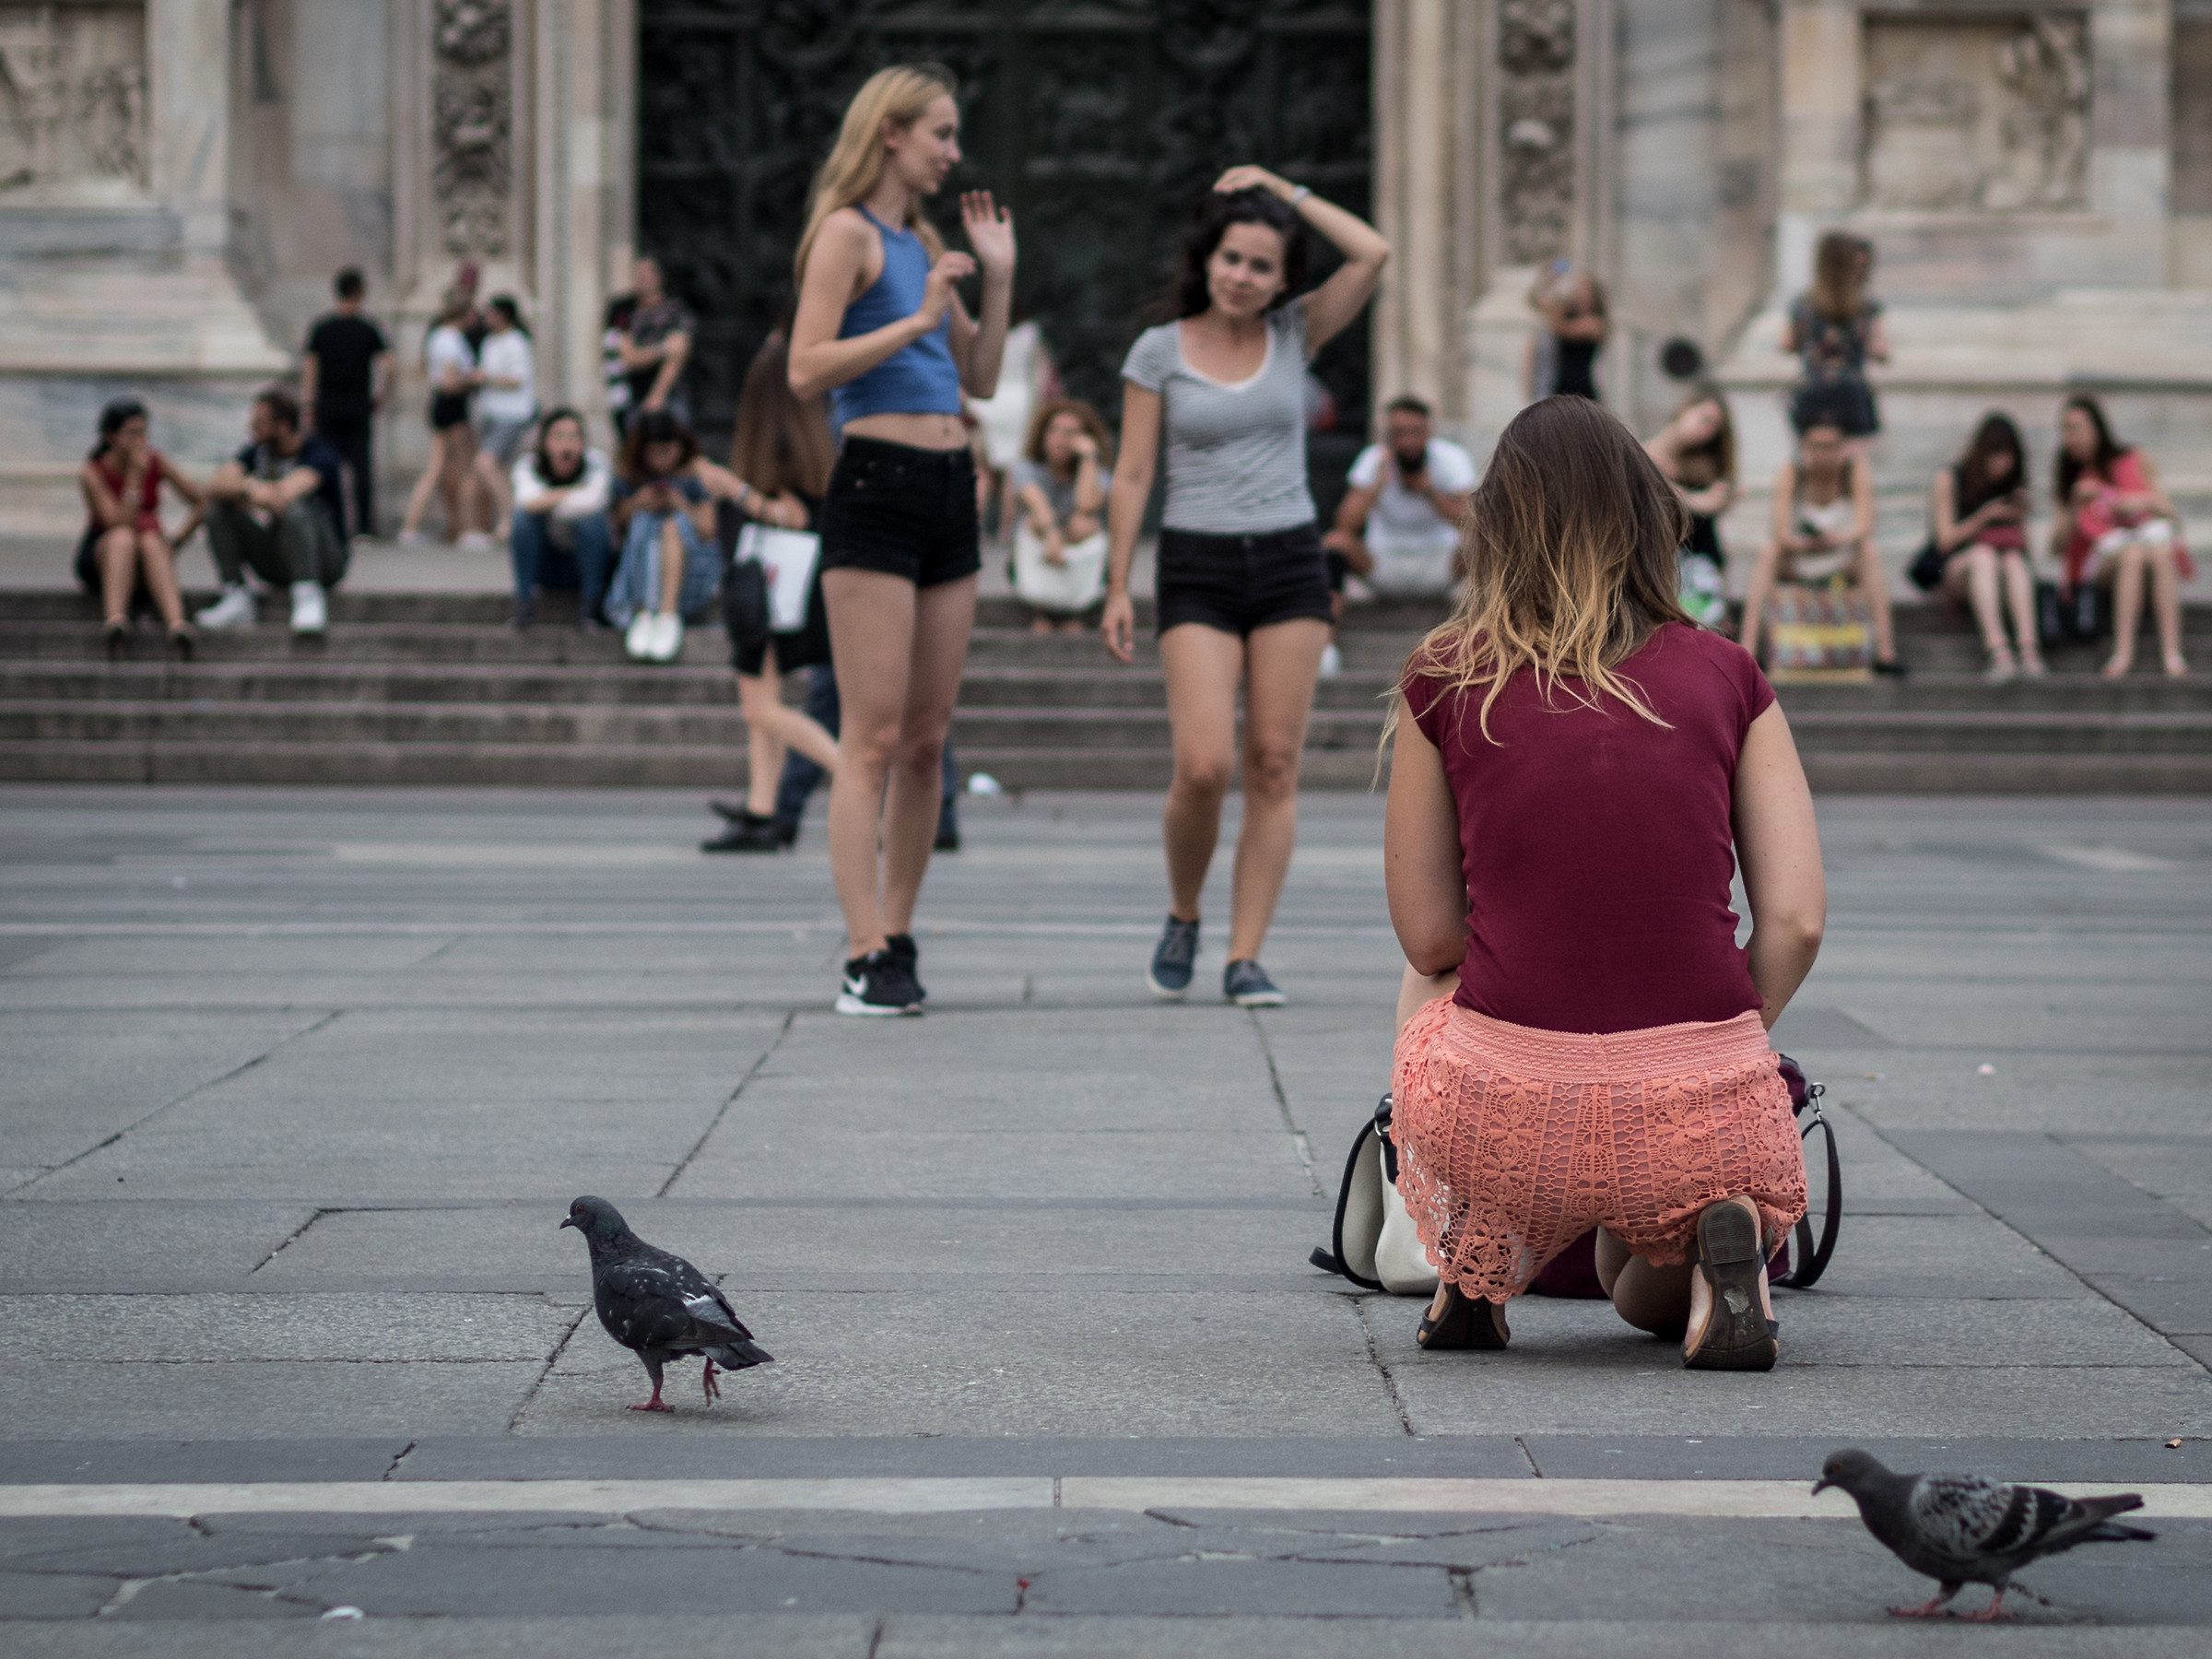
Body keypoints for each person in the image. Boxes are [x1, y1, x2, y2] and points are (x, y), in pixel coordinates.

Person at [1383, 394, 1819, 1368]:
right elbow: (1794, 916)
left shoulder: (1446, 677)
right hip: (1704, 1107)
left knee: (1430, 983)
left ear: (1496, 525)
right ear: (1649, 520)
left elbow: (1429, 938)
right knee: (1640, 1293)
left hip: (1502, 1113)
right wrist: (1710, 1050)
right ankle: (1719, 1243)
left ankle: (1469, 1263)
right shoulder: (1729, 674)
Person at [1103, 168, 1389, 1008]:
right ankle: (1184, 911)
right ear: (1209, 257)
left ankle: (1245, 954)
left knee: (1272, 763)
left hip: (1290, 563)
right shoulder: (1159, 350)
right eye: (1233, 258)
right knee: (1204, 764)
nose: (1243, 277)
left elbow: (1373, 252)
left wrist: (1284, 191)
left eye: (1262, 266)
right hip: (1196, 561)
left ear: (1279, 277)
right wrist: (1118, 582)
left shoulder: (1295, 333)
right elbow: (1132, 471)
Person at [788, 62, 1015, 1017]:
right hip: (875, 482)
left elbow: (986, 375)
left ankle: (902, 932)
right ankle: (859, 948)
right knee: (870, 739)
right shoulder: (845, 235)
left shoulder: (921, 239)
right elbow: (805, 367)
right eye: (942, 135)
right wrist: (915, 318)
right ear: (891, 132)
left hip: (949, 483)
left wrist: (993, 278)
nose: (954, 153)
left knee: (926, 739)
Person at [704, 335, 843, 853]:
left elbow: (795, 516)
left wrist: (732, 490)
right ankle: (762, 810)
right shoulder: (810, 441)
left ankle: (857, 777)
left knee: (760, 709)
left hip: (768, 589)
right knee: (762, 708)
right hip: (779, 589)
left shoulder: (776, 444)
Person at [1739, 421, 1902, 675]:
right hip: (1800, 559)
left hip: (1840, 559)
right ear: (1804, 447)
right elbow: (1779, 531)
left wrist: (1834, 539)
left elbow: (1866, 525)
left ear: (1843, 449)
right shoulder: (1791, 473)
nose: (1824, 454)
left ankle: (1885, 650)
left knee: (1869, 551)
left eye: (1830, 447)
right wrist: (1807, 544)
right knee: (1768, 552)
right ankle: (1747, 649)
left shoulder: (1855, 472)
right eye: (1817, 447)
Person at [2054, 394, 2191, 679]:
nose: (2069, 437)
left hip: (2145, 548)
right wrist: (2073, 507)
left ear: (2096, 428)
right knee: (2132, 554)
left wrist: (2135, 502)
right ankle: (2123, 652)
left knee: (2157, 552)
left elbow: (2169, 513)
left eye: (2075, 427)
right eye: (2064, 429)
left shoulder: (2133, 458)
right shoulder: (2069, 475)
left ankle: (2171, 652)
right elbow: (2057, 545)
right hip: (2099, 560)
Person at [197, 385, 350, 635]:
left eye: (260, 422)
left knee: (294, 507)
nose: (252, 427)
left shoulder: (318, 453)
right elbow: (215, 484)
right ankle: (235, 594)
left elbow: (289, 491)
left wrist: (251, 494)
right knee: (217, 509)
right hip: (278, 558)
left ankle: (308, 595)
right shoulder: (256, 452)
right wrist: (249, 489)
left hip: (326, 562)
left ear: (284, 426)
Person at [75, 398, 203, 658]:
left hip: (147, 552)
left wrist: (177, 541)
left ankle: (177, 624)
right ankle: (115, 621)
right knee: (124, 537)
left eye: (143, 432)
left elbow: (200, 501)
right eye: (131, 433)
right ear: (111, 436)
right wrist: (134, 477)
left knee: (151, 541)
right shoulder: (93, 472)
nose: (140, 440)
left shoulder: (156, 460)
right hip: (106, 553)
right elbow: (115, 521)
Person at [605, 409, 732, 664]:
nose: (661, 460)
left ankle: (666, 614)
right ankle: (643, 612)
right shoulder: (629, 477)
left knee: (673, 527)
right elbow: (616, 531)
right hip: (639, 564)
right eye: (655, 453)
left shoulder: (694, 476)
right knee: (644, 523)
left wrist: (681, 504)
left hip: (690, 570)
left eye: (667, 451)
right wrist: (637, 504)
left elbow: (708, 529)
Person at [1324, 394, 1475, 601]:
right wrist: (1375, 487)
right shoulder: (1374, 460)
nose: (1408, 441)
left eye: (1416, 432)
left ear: (1428, 433)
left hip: (1440, 562)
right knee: (1335, 543)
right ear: (1388, 435)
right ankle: (1327, 624)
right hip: (1383, 562)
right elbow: (1344, 526)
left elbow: (1472, 523)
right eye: (1400, 433)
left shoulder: (1450, 458)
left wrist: (1431, 493)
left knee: (1488, 544)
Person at [1931, 413, 2042, 681]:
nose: (2001, 464)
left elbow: (2026, 552)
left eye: (2008, 457)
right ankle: (1998, 651)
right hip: (1958, 569)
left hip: (2004, 572)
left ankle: (2028, 649)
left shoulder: (2012, 487)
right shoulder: (1951, 478)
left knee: (2013, 559)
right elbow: (1944, 540)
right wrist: (1983, 517)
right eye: (1995, 455)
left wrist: (2020, 517)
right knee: (1984, 556)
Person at [299, 267, 390, 538]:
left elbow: (310, 368)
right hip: (358, 404)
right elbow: (389, 366)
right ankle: (363, 528)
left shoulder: (322, 328)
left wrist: (308, 404)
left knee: (327, 464)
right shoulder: (368, 328)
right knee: (361, 466)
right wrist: (381, 396)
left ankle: (330, 522)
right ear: (359, 293)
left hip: (327, 406)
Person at [1011, 397, 1112, 634]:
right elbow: (1036, 504)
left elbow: (1086, 505)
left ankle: (1072, 609)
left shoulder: (1097, 472)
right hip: (1040, 550)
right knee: (1035, 522)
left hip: (1074, 553)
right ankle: (1044, 609)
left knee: (1083, 525)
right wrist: (1051, 533)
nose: (1060, 438)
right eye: (1054, 431)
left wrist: (1088, 459)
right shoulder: (1028, 467)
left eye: (1069, 433)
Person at [508, 408, 614, 631]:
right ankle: (524, 603)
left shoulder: (597, 463)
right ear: (545, 443)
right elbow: (526, 503)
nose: (567, 445)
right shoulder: (528, 466)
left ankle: (591, 606)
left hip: (587, 563)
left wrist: (548, 501)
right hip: (546, 563)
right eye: (559, 437)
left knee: (591, 523)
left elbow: (593, 502)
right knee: (522, 521)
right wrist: (573, 493)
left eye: (574, 437)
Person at [1783, 232, 1888, 458]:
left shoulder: (1803, 305)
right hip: (1851, 393)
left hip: (1812, 389)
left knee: (1809, 465)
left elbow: (1787, 344)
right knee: (1855, 464)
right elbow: (1880, 350)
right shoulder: (1866, 307)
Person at [1643, 387, 1737, 631]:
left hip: (1697, 564)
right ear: (1686, 409)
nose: (1706, 431)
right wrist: (1691, 500)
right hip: (1658, 563)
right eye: (1705, 420)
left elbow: (1714, 504)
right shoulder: (1642, 456)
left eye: (1714, 429)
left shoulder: (1702, 467)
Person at [399, 289, 482, 545]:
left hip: (442, 406)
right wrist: (473, 379)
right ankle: (467, 529)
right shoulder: (451, 339)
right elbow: (448, 382)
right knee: (463, 468)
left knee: (438, 468)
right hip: (452, 406)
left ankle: (413, 526)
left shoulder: (438, 336)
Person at [969, 316, 1052, 536]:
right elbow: (1041, 375)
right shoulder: (1029, 333)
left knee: (981, 470)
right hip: (1019, 402)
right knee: (1012, 469)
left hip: (984, 400)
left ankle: (973, 527)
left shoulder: (974, 327)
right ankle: (1007, 529)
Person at [471, 296, 537, 529]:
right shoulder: (490, 341)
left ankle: (509, 517)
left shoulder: (516, 342)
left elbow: (518, 379)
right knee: (499, 469)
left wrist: (486, 378)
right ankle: (494, 520)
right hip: (492, 411)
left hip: (512, 413)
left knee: (485, 463)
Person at [618, 257, 694, 427]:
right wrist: (662, 349)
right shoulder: (625, 309)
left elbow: (677, 354)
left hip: (671, 397)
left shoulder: (675, 310)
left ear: (660, 276)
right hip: (634, 396)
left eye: (649, 273)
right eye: (638, 273)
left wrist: (657, 396)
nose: (643, 278)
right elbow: (628, 358)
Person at [1524, 263, 1607, 402]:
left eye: (1584, 291)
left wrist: (1556, 309)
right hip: (1559, 385)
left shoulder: (1595, 323)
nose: (1579, 294)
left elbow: (1562, 329)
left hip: (1582, 388)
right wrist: (1548, 280)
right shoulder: (1567, 314)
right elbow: (1534, 301)